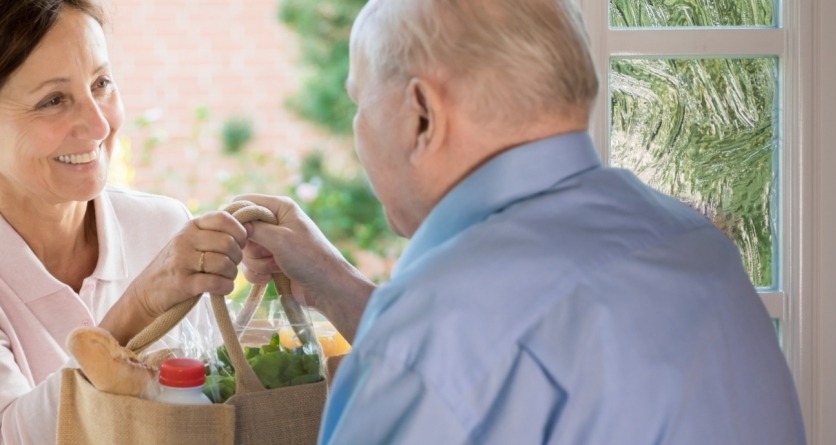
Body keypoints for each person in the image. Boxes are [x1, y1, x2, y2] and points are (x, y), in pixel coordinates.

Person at [237, 0, 806, 443]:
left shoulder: (434, 334)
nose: (356, 130)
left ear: (421, 116)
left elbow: (464, 353)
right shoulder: (693, 245)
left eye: (358, 103)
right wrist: (333, 283)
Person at [0, 0, 246, 443]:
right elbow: (5, 436)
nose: (98, 124)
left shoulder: (162, 227)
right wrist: (140, 303)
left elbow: (217, 400)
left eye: (101, 83)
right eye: (53, 100)